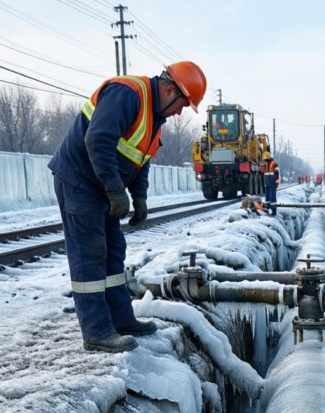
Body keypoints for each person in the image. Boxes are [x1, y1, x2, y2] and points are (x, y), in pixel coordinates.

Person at [48, 61, 207, 352]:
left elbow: (139, 160)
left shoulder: (155, 120)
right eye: (182, 104)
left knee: (113, 250)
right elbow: (97, 139)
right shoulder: (128, 93)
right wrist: (114, 188)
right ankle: (96, 331)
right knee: (90, 252)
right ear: (170, 90)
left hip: (103, 186)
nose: (180, 112)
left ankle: (120, 319)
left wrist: (140, 196)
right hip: (80, 180)